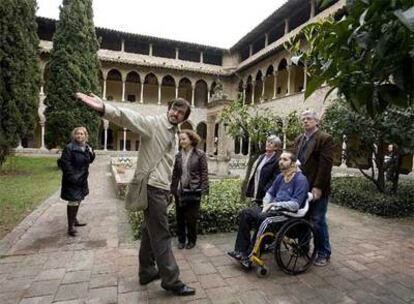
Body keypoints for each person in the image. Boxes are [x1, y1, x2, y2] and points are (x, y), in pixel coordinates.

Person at [75, 92, 195, 296]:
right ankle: (171, 280)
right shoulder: (155, 125)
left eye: (181, 112)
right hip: (153, 188)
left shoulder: (174, 132)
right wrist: (104, 108)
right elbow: (130, 117)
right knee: (161, 235)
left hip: (161, 188)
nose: (176, 113)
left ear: (184, 118)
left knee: (150, 232)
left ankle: (147, 271)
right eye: (174, 108)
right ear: (169, 108)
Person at [227, 151, 309, 269]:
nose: (281, 161)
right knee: (246, 213)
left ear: (293, 163)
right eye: (280, 159)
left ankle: (250, 256)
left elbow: (295, 205)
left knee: (264, 220)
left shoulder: (300, 179)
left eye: (285, 159)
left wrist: (275, 205)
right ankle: (240, 251)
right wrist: (266, 205)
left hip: (288, 214)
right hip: (272, 209)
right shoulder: (281, 177)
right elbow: (269, 193)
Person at [294, 109, 335, 267]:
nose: (305, 121)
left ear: (317, 121)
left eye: (309, 118)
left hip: (317, 187)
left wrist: (318, 187)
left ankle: (324, 252)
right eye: (303, 119)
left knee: (317, 220)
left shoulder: (324, 139)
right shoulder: (299, 139)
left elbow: (325, 166)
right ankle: (304, 248)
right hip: (301, 186)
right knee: (302, 218)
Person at [171, 129, 209, 250]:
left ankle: (192, 240)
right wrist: (172, 190)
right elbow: (175, 174)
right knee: (180, 217)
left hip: (194, 190)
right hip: (180, 191)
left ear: (191, 140)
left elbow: (204, 173)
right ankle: (181, 240)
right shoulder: (178, 155)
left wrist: (204, 190)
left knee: (191, 218)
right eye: (180, 139)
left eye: (184, 139)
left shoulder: (200, 155)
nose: (181, 141)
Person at [60, 126, 95, 237]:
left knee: (78, 199)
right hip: (73, 180)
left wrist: (91, 153)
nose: (79, 135)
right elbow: (65, 165)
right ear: (74, 135)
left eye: (82, 134)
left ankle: (74, 220)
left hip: (82, 179)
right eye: (77, 134)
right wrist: (73, 178)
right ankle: (70, 227)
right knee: (73, 201)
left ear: (85, 136)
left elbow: (89, 160)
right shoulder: (69, 148)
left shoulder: (86, 147)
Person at [245, 135, 282, 206]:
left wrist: (265, 190)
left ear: (276, 147)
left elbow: (275, 179)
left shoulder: (277, 160)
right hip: (256, 191)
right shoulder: (262, 157)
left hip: (265, 194)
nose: (268, 144)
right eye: (267, 141)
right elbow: (256, 174)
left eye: (271, 143)